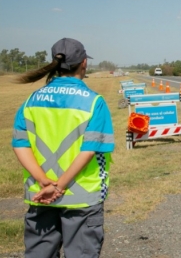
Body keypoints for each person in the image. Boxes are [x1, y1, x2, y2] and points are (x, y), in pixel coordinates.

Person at [11, 38, 115, 258]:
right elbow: (89, 150)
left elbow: (20, 144)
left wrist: (43, 181)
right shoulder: (94, 102)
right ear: (84, 63)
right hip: (82, 197)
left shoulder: (31, 100)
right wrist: (60, 186)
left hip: (40, 195)